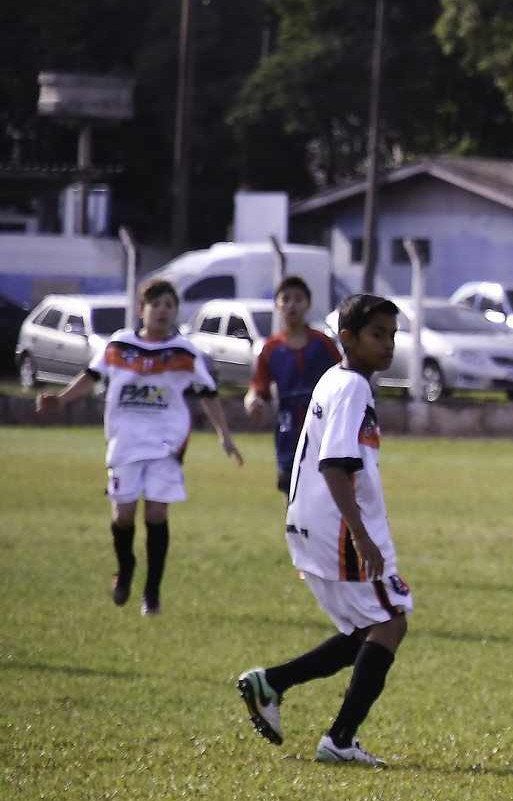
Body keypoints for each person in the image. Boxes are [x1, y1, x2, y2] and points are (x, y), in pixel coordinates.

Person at [236, 294, 411, 765]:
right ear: (347, 339)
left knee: (366, 628)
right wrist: (359, 534)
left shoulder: (338, 381)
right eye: (378, 335)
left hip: (316, 524)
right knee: (390, 621)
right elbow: (334, 464)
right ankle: (339, 740)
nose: (388, 345)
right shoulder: (351, 386)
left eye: (393, 335)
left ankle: (270, 683)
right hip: (338, 528)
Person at [35, 277, 243, 614]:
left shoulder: (184, 351)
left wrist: (225, 435)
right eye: (156, 304)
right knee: (124, 515)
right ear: (142, 309)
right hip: (125, 442)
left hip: (166, 444)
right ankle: (126, 566)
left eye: (169, 305)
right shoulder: (119, 345)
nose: (163, 311)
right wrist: (60, 400)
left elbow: (207, 394)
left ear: (176, 311)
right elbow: (91, 375)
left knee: (157, 513)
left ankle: (152, 594)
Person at [244, 275, 342, 493]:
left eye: (298, 299)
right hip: (288, 433)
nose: (291, 305)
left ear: (308, 304)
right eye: (285, 299)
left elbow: (343, 378)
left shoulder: (323, 344)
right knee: (293, 495)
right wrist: (253, 400)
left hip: (322, 430)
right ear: (277, 305)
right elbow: (258, 386)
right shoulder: (271, 348)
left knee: (325, 493)